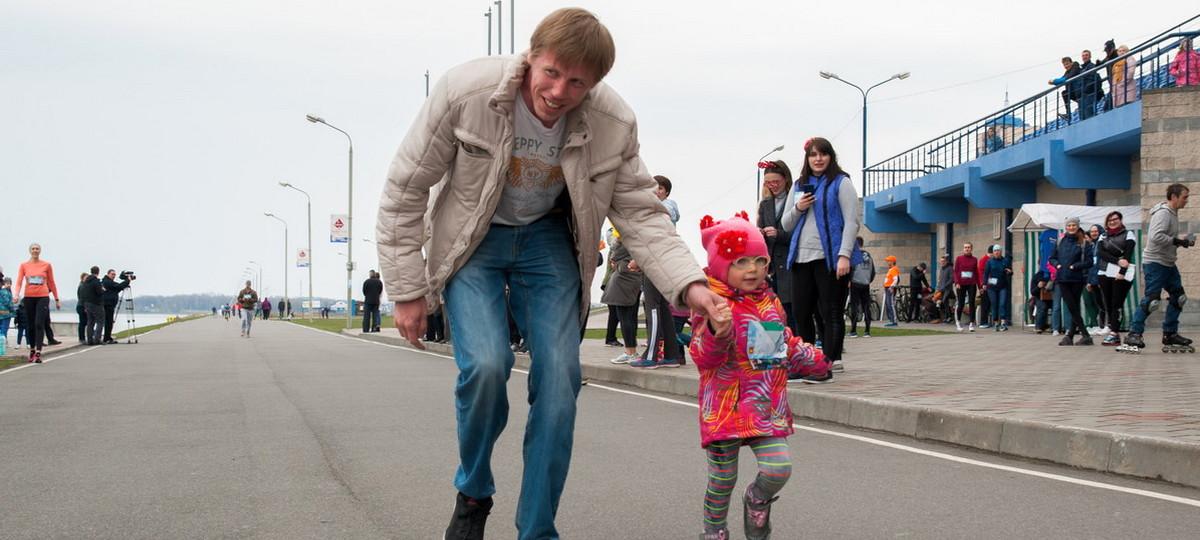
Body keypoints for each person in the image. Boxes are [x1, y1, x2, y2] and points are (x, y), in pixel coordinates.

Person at [375, 9, 720, 539]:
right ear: (531, 57)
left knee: (561, 379)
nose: (559, 92)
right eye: (552, 73)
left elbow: (640, 212)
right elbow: (405, 189)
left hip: (548, 240)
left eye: (577, 83)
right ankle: (473, 491)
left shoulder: (613, 122)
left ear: (595, 83)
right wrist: (406, 290)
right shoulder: (466, 93)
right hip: (473, 238)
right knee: (486, 365)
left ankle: (536, 529)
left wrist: (691, 283)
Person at [688, 213, 829, 540]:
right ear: (721, 266)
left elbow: (776, 346)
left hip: (763, 406)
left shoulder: (768, 302)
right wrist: (717, 331)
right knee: (722, 481)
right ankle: (714, 531)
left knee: (779, 468)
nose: (752, 269)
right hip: (724, 409)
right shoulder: (710, 303)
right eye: (740, 262)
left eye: (759, 261)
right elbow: (703, 357)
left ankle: (757, 498)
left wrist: (811, 359)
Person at [781, 137, 862, 373]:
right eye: (813, 155)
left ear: (830, 156)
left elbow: (851, 222)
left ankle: (830, 359)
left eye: (823, 154)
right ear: (807, 159)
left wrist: (844, 255)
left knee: (830, 311)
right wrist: (799, 208)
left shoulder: (841, 182)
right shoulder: (799, 185)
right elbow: (786, 224)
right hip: (801, 258)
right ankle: (808, 359)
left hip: (831, 258)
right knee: (801, 312)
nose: (818, 159)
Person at [1125, 184, 1193, 350]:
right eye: (1184, 197)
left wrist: (1181, 242)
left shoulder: (1172, 213)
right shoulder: (1163, 213)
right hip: (1155, 263)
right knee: (1152, 300)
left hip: (1167, 262)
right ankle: (1134, 333)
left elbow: (1165, 238)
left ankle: (1170, 334)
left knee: (1179, 297)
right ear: (1174, 197)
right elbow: (1156, 237)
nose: (1186, 200)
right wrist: (1177, 241)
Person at [632, 175, 685, 369]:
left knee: (652, 306)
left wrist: (639, 258)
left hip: (655, 260)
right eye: (653, 188)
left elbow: (655, 232)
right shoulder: (661, 209)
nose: (656, 191)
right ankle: (671, 355)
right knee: (662, 307)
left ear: (667, 192)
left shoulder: (664, 207)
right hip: (663, 260)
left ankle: (651, 355)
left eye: (660, 188)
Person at [757, 160, 797, 334]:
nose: (772, 186)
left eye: (776, 182)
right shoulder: (765, 205)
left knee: (791, 311)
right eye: (768, 182)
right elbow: (760, 228)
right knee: (771, 311)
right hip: (772, 268)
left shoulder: (795, 200)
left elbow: (801, 233)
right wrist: (759, 233)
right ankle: (775, 346)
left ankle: (795, 343)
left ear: (785, 179)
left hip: (790, 264)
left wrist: (779, 234)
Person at [1050, 216, 1094, 346]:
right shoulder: (1060, 241)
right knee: (1072, 306)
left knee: (1073, 307)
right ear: (1066, 227)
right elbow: (1052, 258)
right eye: (1069, 225)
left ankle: (1075, 336)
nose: (1071, 227)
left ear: (1078, 226)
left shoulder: (1084, 242)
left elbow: (1089, 262)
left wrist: (1075, 266)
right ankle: (1081, 335)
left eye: (1073, 225)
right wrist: (1057, 265)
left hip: (1077, 279)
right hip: (1062, 278)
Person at [601, 228, 643, 364]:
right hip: (627, 277)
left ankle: (631, 352)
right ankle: (630, 351)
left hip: (626, 278)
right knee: (627, 317)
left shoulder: (628, 235)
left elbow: (615, 251)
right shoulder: (632, 234)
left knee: (626, 318)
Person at [13, 243, 60, 363]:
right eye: (33, 249)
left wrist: (56, 299)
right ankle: (32, 349)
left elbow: (51, 282)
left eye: (37, 249)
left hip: (43, 297)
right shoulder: (24, 265)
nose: (35, 250)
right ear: (30, 251)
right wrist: (16, 294)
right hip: (29, 297)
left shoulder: (46, 265)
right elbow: (19, 281)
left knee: (39, 323)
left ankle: (38, 352)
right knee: (30, 325)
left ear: (40, 251)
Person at [1097, 211, 1137, 346]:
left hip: (1120, 274)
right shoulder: (1103, 236)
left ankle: (1114, 332)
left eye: (1115, 219)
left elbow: (1127, 255)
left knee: (1116, 303)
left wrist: (1122, 271)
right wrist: (1117, 261)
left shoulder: (1128, 234)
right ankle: (1112, 329)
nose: (1113, 222)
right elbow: (1100, 253)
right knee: (1108, 303)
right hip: (1104, 272)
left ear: (1120, 220)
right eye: (1110, 220)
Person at [848, 236, 875, 337]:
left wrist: (849, 280)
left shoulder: (854, 255)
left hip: (855, 283)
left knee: (854, 307)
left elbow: (851, 269)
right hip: (866, 284)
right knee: (866, 307)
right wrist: (868, 280)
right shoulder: (869, 256)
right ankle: (867, 331)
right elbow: (873, 271)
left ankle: (853, 331)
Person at [982, 245, 1012, 331]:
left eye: (998, 250)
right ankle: (996, 323)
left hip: (1003, 286)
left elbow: (1010, 271)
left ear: (1001, 252)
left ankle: (1003, 323)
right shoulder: (989, 262)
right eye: (995, 251)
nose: (996, 252)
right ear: (993, 252)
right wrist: (984, 284)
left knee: (1002, 304)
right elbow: (986, 273)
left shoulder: (1005, 260)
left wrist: (1010, 272)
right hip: (991, 287)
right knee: (994, 304)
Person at [1083, 224, 1106, 335]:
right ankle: (1101, 326)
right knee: (1100, 304)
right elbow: (1092, 266)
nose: (1093, 233)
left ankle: (1107, 326)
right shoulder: (1093, 246)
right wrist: (1090, 281)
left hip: (1102, 278)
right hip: (1094, 280)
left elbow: (1102, 263)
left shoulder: (1103, 244)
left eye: (1096, 231)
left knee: (1105, 304)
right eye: (1092, 231)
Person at [953, 242, 979, 332]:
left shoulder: (974, 259)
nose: (967, 249)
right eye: (965, 247)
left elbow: (976, 273)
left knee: (971, 302)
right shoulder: (959, 258)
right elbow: (955, 271)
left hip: (971, 283)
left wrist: (980, 286)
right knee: (961, 303)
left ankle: (971, 323)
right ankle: (958, 322)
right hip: (961, 284)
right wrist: (956, 282)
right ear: (963, 249)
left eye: (968, 247)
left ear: (971, 249)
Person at [81, 267, 106, 345]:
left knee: (90, 322)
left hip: (87, 303)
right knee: (100, 321)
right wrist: (103, 289)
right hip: (96, 304)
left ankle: (90, 340)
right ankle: (97, 339)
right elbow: (99, 292)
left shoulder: (85, 282)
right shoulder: (96, 281)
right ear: (98, 272)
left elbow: (83, 293)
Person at [1078, 49, 1105, 120]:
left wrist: (1085, 89)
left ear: (1090, 56)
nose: (1084, 57)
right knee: (1083, 116)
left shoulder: (1091, 66)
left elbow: (1091, 79)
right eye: (1083, 56)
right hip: (1083, 94)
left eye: (1086, 55)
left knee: (1088, 115)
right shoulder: (1081, 69)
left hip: (1089, 93)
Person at [935, 253, 955, 324]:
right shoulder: (941, 269)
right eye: (941, 261)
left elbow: (952, 279)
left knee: (944, 301)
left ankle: (949, 317)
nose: (942, 262)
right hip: (941, 289)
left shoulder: (950, 268)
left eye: (943, 261)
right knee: (943, 303)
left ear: (946, 262)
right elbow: (940, 279)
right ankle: (947, 317)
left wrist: (945, 285)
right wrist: (938, 287)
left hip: (948, 289)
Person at [977, 245, 993, 328]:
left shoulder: (989, 260)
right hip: (985, 285)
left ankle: (989, 321)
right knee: (985, 304)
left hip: (991, 285)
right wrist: (981, 285)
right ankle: (983, 322)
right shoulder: (984, 260)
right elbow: (981, 274)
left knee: (990, 304)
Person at [882, 256, 900, 326]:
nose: (887, 262)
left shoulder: (894, 269)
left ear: (892, 262)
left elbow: (896, 279)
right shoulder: (891, 269)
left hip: (890, 288)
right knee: (888, 304)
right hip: (887, 288)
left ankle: (894, 321)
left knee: (891, 304)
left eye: (889, 261)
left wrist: (892, 286)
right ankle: (891, 320)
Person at [75, 272, 89, 343]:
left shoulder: (85, 286)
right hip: (81, 306)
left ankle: (84, 337)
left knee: (86, 322)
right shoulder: (82, 286)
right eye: (86, 278)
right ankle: (81, 338)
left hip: (83, 305)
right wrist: (85, 307)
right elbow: (82, 298)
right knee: (82, 323)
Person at [0, 277, 14, 348]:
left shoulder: (2, 291)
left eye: (10, 283)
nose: (9, 285)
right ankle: (3, 344)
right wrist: (13, 310)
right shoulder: (5, 292)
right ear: (4, 284)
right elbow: (7, 303)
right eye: (7, 283)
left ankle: (2, 343)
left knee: (1, 328)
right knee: (4, 329)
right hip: (6, 313)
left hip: (1, 313)